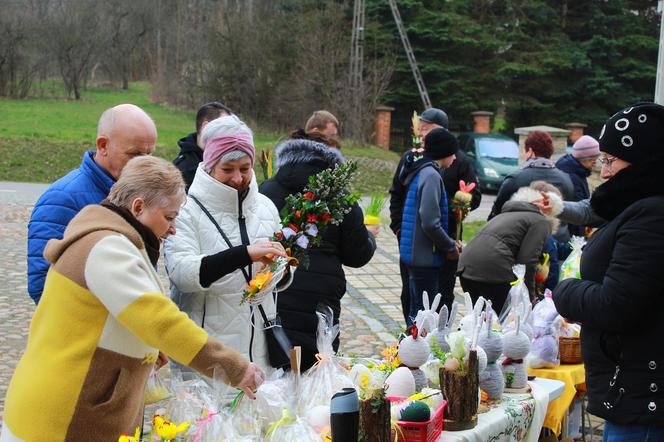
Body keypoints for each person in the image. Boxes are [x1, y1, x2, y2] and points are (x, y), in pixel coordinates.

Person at [1, 156, 263, 442]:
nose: (173, 229)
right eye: (169, 218)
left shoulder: (112, 240)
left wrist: (147, 347)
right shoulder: (108, 248)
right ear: (138, 207)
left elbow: (110, 317)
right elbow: (160, 320)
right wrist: (235, 369)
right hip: (62, 417)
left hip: (68, 409)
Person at [553, 103, 664, 441]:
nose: (604, 171)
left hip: (643, 402)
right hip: (634, 393)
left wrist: (564, 290)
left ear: (645, 158)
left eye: (612, 160)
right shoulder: (639, 207)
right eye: (602, 160)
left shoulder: (652, 214)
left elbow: (616, 305)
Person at [164, 115, 285, 373]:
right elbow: (181, 274)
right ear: (209, 166)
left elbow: (280, 272)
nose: (238, 178)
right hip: (209, 356)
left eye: (245, 168)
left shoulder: (265, 207)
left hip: (261, 354)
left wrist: (282, 268)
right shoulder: (186, 210)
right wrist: (245, 255)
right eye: (227, 169)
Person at [259, 132, 376, 371]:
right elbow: (358, 255)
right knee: (317, 372)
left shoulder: (267, 190)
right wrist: (370, 238)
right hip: (322, 301)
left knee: (274, 367)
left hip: (276, 293)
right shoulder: (341, 197)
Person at [27, 104, 156, 304]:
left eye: (150, 154)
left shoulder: (139, 193)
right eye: (135, 154)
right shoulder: (61, 199)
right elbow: (42, 285)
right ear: (103, 145)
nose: (145, 164)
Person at [389, 107, 481, 323]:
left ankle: (430, 338)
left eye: (427, 129)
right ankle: (420, 345)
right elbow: (415, 208)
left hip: (441, 239)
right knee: (419, 305)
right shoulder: (420, 165)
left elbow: (473, 194)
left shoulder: (456, 161)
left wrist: (460, 204)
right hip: (423, 245)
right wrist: (398, 227)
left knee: (438, 297)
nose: (422, 133)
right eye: (421, 129)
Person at [458, 182, 562, 313]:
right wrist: (529, 296)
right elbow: (528, 260)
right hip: (494, 271)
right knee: (500, 321)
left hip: (466, 268)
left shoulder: (505, 215)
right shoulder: (540, 221)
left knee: (478, 318)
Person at [399, 127, 462, 326]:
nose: (454, 158)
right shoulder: (431, 175)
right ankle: (414, 356)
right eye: (453, 153)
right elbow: (430, 221)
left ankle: (406, 354)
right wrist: (450, 246)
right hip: (424, 257)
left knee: (415, 313)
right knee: (423, 316)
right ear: (444, 152)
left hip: (415, 254)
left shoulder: (421, 171)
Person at [488, 131, 573, 238]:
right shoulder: (566, 179)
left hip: (523, 241)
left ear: (530, 151)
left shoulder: (515, 179)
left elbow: (497, 213)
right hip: (559, 242)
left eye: (524, 150)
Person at [173, 101, 232, 191]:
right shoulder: (180, 172)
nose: (231, 135)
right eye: (225, 128)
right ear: (206, 127)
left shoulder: (231, 162)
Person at [555, 135, 601, 236]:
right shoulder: (572, 176)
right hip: (570, 232)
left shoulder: (577, 171)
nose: (595, 164)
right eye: (593, 161)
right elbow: (576, 208)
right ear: (584, 159)